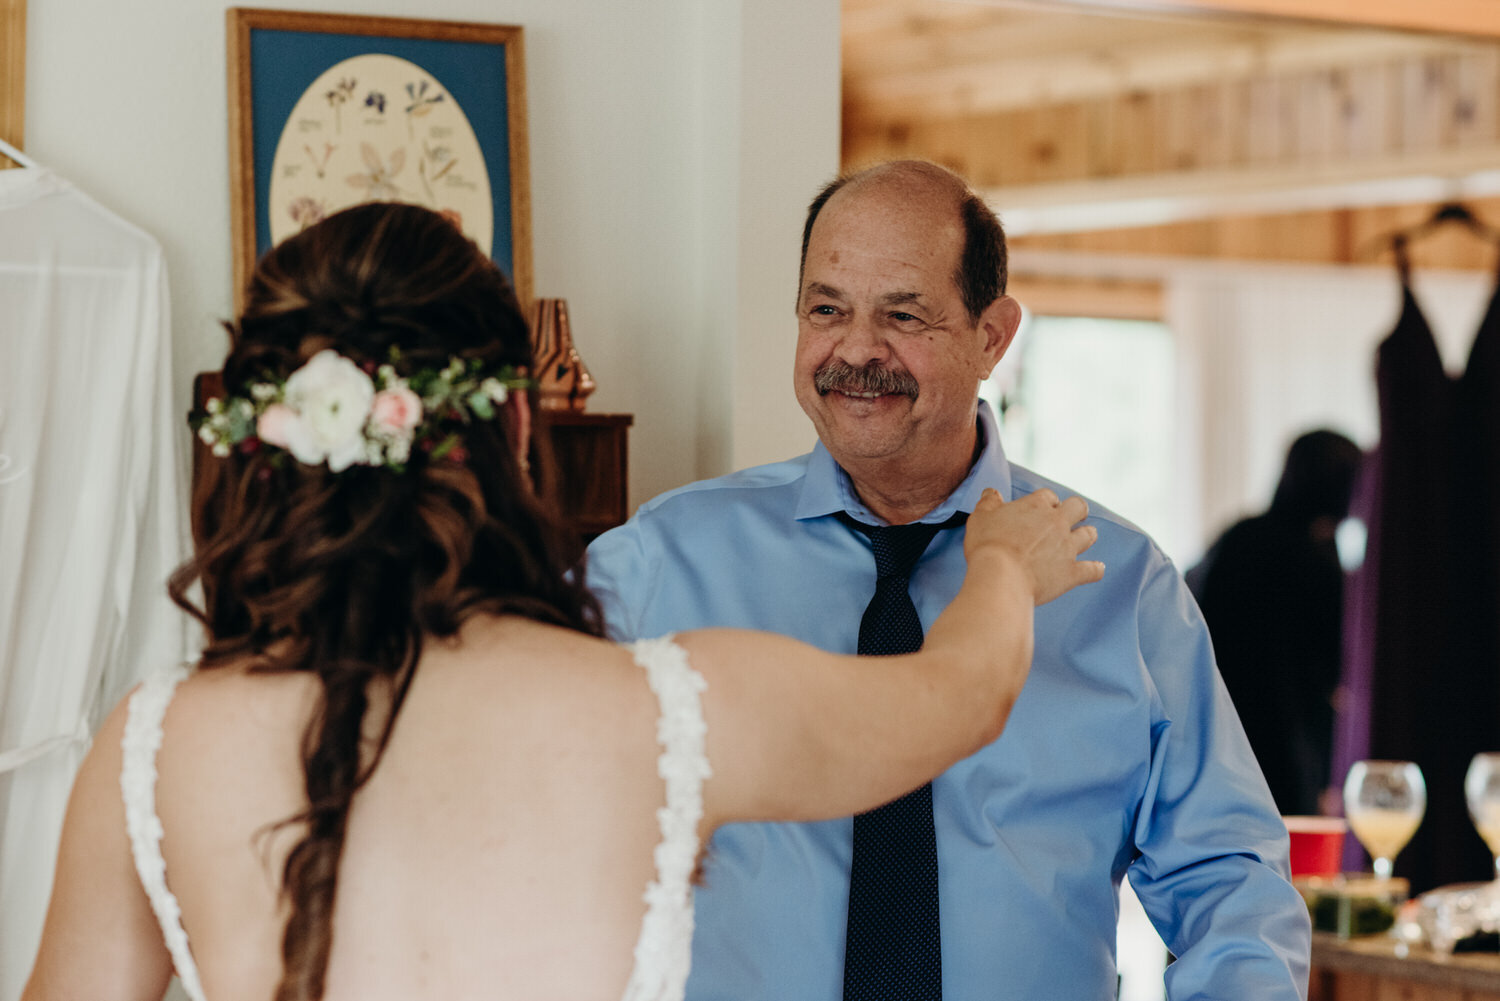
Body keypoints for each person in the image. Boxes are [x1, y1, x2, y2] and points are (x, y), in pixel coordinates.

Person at [20, 202, 1102, 1001]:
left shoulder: (154, 744)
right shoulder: (673, 708)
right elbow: (962, 692)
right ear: (523, 433)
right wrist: (1000, 560)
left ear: (275, 445)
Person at [586, 160, 1313, 999]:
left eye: (903, 315)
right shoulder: (659, 562)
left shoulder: (1122, 585)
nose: (856, 349)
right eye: (827, 309)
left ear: (993, 336)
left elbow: (1231, 882)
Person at [1186, 429, 1363, 817]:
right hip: (1286, 740)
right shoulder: (1315, 558)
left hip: (1214, 725)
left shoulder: (1239, 536)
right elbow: (1340, 661)